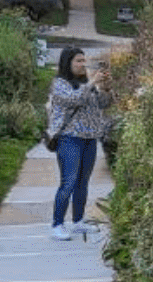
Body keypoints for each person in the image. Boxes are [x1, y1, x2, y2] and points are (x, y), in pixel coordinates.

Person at [43, 46, 111, 238]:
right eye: (78, 61)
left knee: (83, 183)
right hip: (69, 139)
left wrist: (105, 88)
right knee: (69, 182)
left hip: (90, 139)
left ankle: (78, 221)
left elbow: (104, 104)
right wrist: (91, 83)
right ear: (68, 63)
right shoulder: (59, 84)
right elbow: (74, 100)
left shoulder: (89, 84)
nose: (83, 64)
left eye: (84, 60)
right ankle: (57, 224)